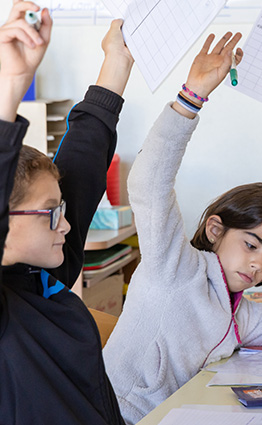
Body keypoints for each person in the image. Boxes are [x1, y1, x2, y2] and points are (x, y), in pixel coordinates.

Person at [103, 33, 262, 423]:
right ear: (216, 229)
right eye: (251, 245)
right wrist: (191, 97)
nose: (257, 264)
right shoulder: (174, 266)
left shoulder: (242, 316)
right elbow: (148, 184)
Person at [0, 6, 133, 422]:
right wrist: (13, 85)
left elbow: (82, 164)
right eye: (50, 214)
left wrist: (117, 60)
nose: (68, 223)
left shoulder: (44, 272)